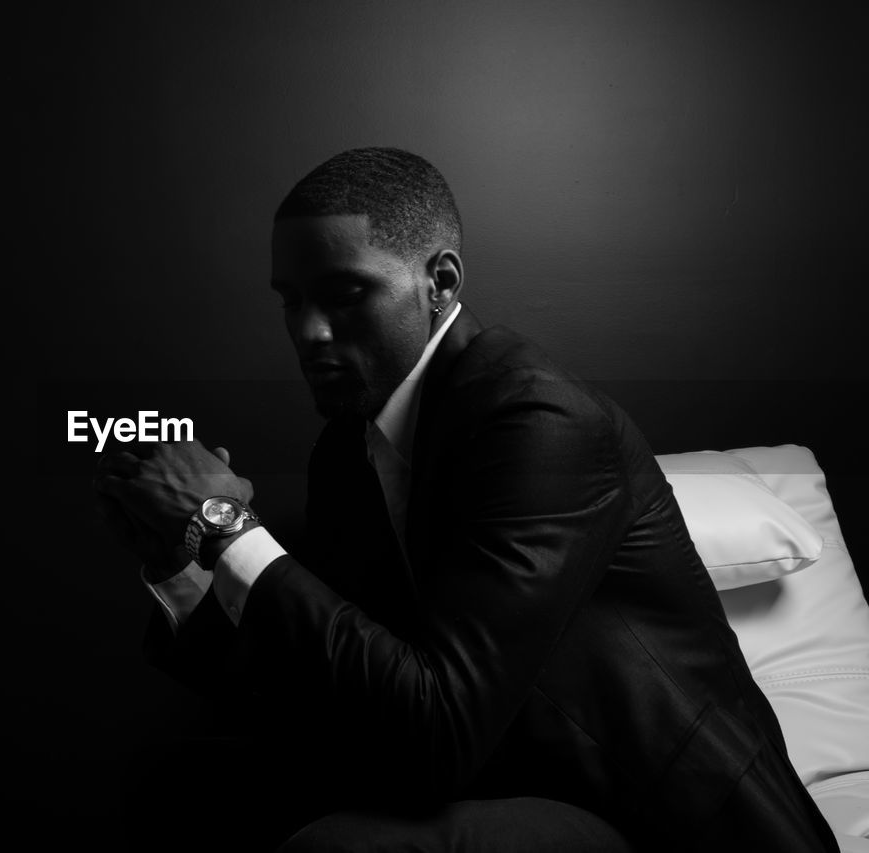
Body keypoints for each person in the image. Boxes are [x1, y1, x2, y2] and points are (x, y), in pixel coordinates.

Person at [94, 147, 839, 852]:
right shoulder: (348, 450)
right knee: (188, 782)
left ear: (441, 283)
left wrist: (226, 525)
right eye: (291, 303)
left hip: (655, 816)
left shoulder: (541, 424)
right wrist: (183, 564)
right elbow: (333, 686)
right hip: (512, 779)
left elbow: (434, 731)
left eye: (345, 294)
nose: (309, 333)